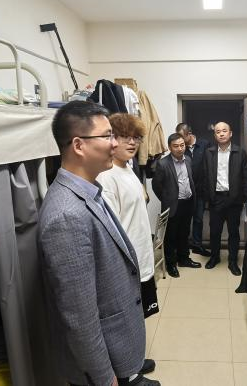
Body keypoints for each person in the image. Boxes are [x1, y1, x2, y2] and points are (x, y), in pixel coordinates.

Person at [38, 101, 160, 386]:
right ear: (79, 145)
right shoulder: (65, 215)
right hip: (98, 370)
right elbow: (79, 317)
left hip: (115, 347)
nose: (114, 143)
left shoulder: (89, 189)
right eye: (107, 136)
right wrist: (104, 378)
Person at [96, 113, 158, 375]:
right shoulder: (106, 177)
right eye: (124, 137)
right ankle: (128, 375)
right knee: (124, 321)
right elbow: (111, 231)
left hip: (141, 257)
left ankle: (134, 361)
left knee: (137, 317)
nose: (132, 142)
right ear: (111, 139)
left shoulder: (127, 167)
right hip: (126, 265)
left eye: (136, 138)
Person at [201, 121, 247, 275]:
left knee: (233, 232)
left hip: (234, 200)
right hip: (216, 198)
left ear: (230, 133)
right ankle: (214, 257)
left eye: (224, 131)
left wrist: (244, 198)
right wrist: (208, 198)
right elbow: (204, 176)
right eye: (218, 131)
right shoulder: (209, 152)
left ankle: (233, 261)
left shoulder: (240, 152)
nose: (221, 134)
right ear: (215, 135)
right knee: (214, 232)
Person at [152, 133, 200, 278]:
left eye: (182, 145)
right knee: (171, 236)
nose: (180, 149)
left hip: (188, 202)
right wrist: (167, 199)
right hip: (173, 205)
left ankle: (184, 259)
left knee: (184, 233)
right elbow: (156, 186)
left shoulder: (188, 160)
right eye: (176, 146)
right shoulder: (163, 164)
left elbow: (190, 179)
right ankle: (171, 264)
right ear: (169, 147)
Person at [176, 122, 212, 257]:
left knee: (198, 219)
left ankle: (197, 245)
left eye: (181, 137)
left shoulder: (204, 144)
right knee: (184, 220)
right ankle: (183, 247)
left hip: (201, 191)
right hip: (186, 192)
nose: (179, 141)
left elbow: (210, 167)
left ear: (189, 134)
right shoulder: (181, 149)